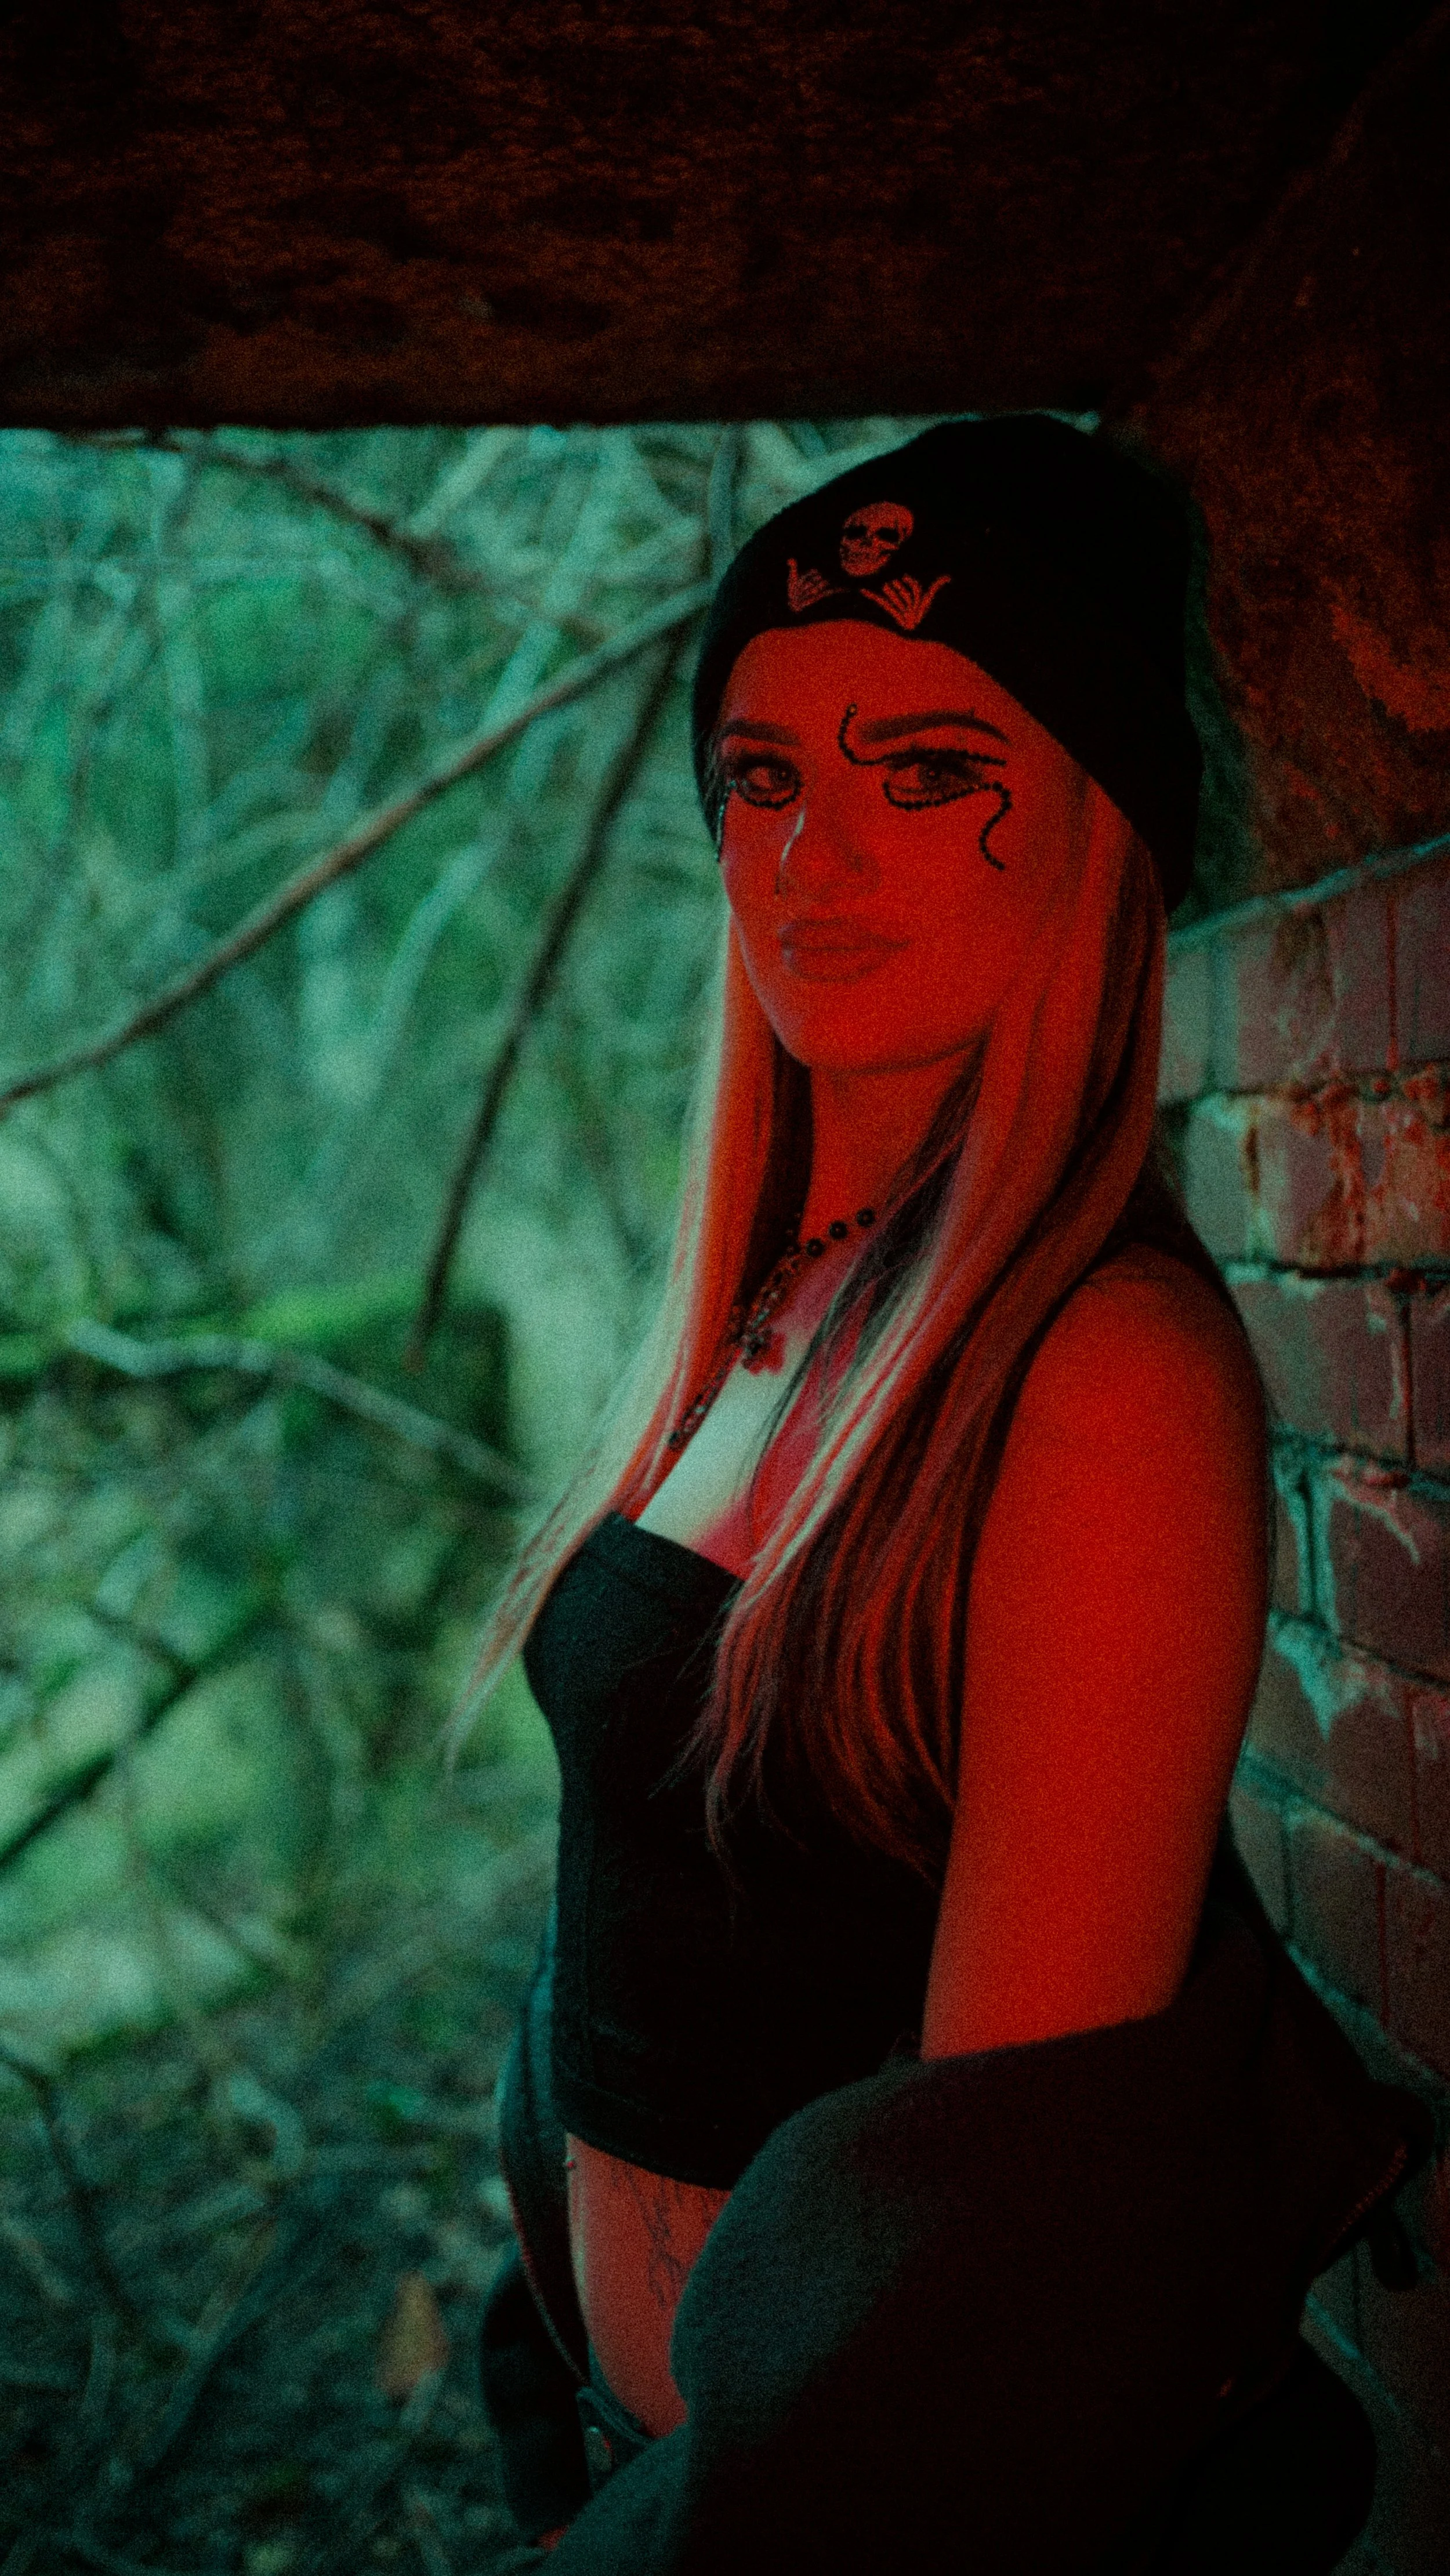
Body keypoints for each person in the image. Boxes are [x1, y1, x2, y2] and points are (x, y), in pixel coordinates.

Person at [473, 419, 1430, 2572]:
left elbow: (983, 2288)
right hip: (643, 2470)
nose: (809, 857)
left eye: (924, 771)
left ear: (1098, 837)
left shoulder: (1100, 1378)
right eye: (760, 776)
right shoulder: (766, 1308)